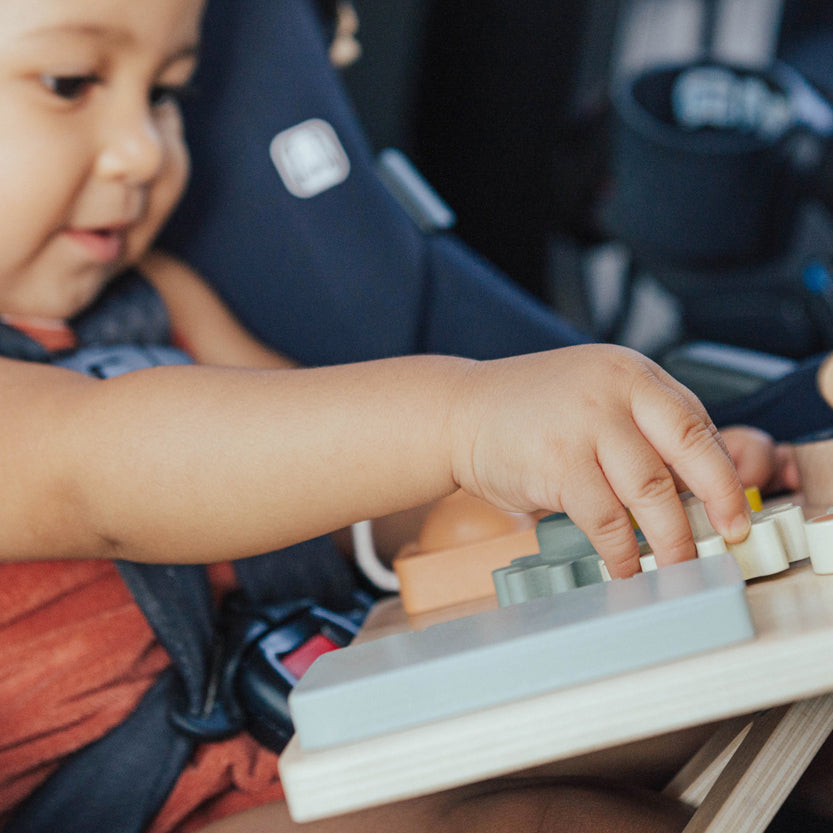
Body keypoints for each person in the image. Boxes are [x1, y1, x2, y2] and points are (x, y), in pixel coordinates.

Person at [0, 1, 819, 832]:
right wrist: (463, 417)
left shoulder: (162, 297)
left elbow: (342, 488)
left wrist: (583, 482)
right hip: (154, 808)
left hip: (322, 707)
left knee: (761, 712)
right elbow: (96, 470)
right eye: (68, 83)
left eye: (165, 92)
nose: (142, 149)